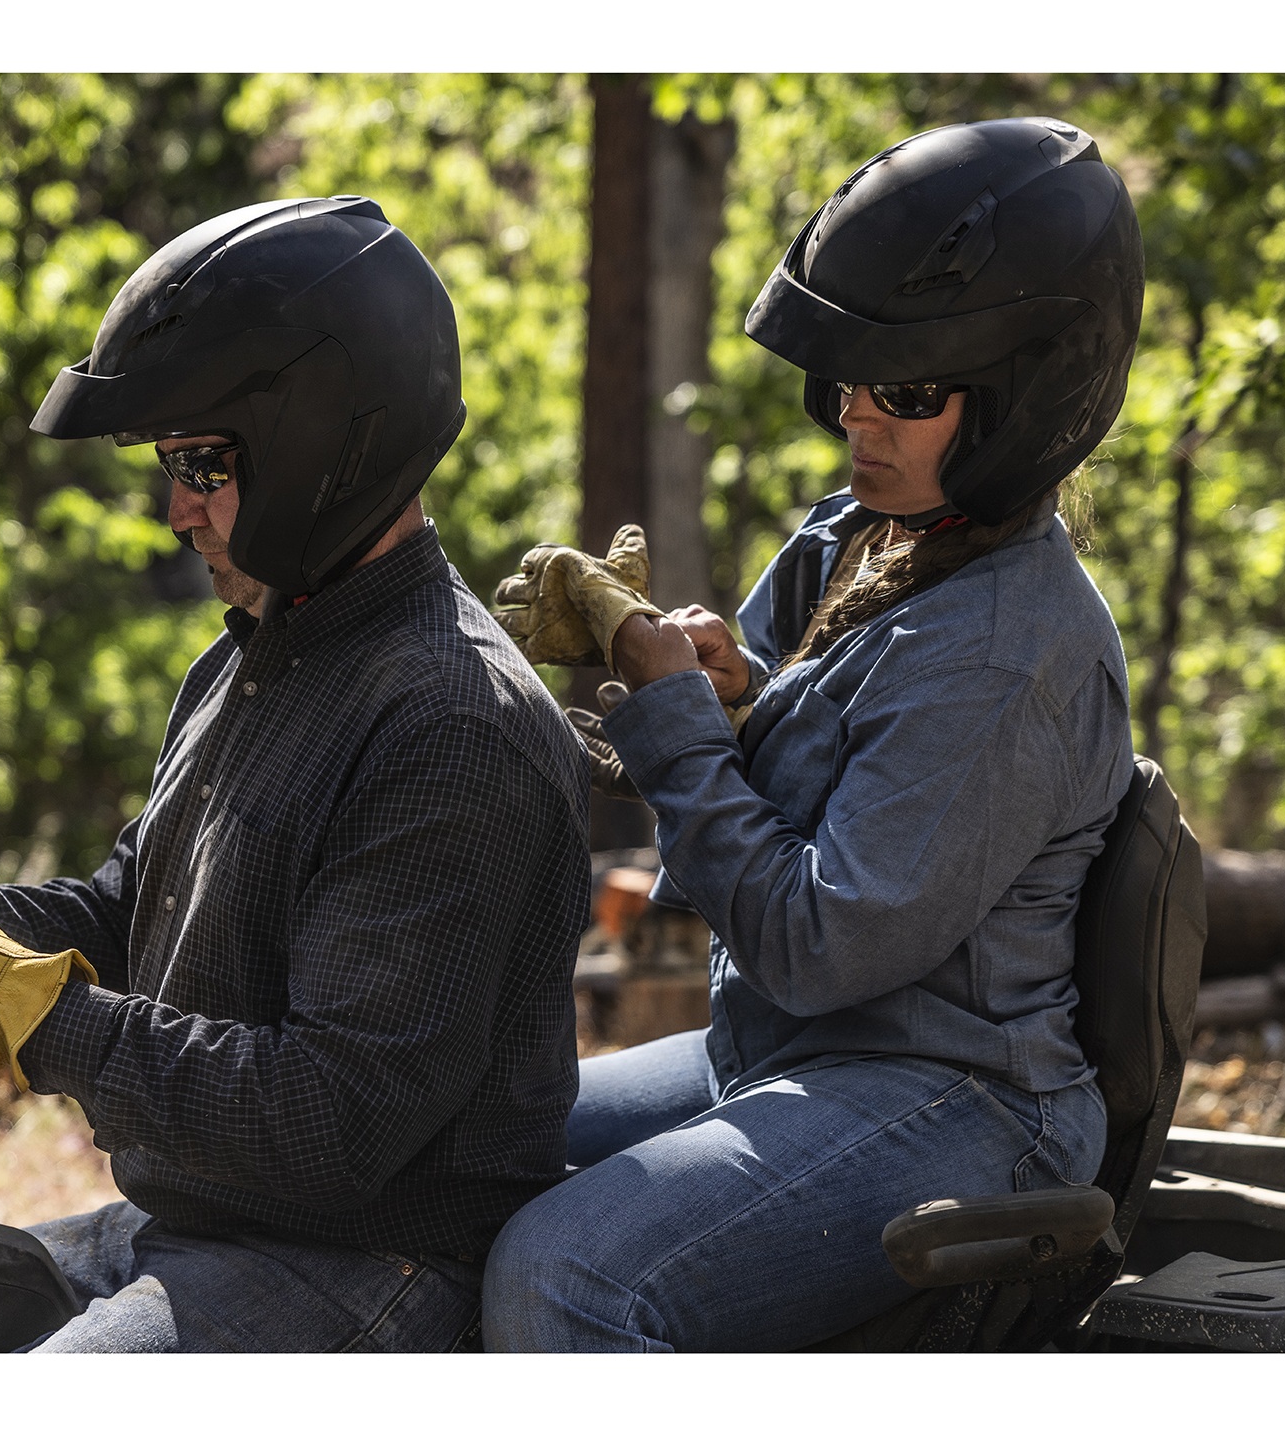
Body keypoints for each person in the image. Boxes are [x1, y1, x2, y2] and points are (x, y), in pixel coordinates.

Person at [0, 196, 590, 1352]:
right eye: (169, 465)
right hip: (189, 1227)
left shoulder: (449, 724)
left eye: (201, 462)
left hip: (368, 1263)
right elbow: (131, 912)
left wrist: (39, 1021)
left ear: (328, 437)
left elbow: (332, 1121)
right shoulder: (258, 656)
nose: (176, 509)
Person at [481, 117, 1145, 1351]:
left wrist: (673, 708)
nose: (856, 419)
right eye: (845, 378)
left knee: (567, 1275)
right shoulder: (864, 536)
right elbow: (786, 803)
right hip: (800, 1046)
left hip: (956, 1097)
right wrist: (731, 697)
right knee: (458, 1144)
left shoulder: (1012, 650)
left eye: (903, 392)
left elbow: (818, 944)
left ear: (1027, 396)